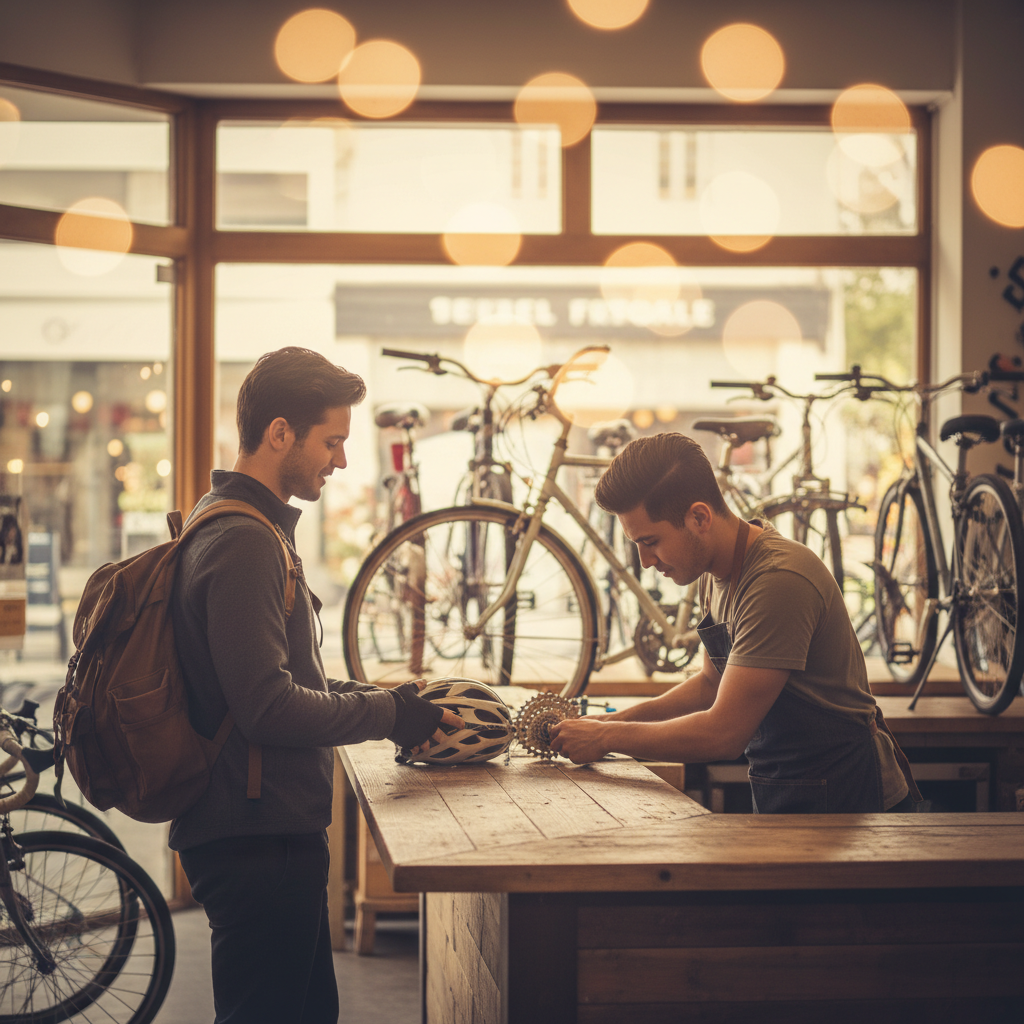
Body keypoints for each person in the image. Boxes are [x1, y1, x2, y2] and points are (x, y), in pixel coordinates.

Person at [170, 346, 461, 1024]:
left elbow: (284, 678)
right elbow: (268, 708)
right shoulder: (243, 542)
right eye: (332, 441)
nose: (342, 460)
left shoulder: (244, 525)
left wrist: (381, 702)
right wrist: (388, 714)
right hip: (255, 837)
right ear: (280, 433)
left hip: (263, 829)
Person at [550, 432, 920, 815]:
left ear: (699, 517)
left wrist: (608, 736)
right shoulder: (716, 568)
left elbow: (722, 734)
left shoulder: (778, 580)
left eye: (651, 542)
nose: (645, 561)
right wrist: (607, 722)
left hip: (850, 801)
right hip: (788, 788)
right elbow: (710, 685)